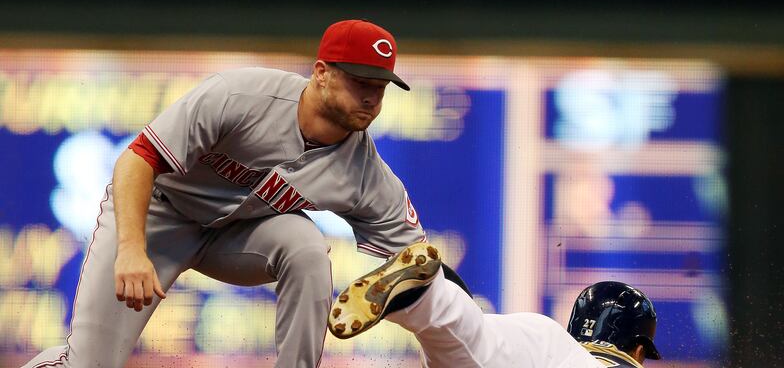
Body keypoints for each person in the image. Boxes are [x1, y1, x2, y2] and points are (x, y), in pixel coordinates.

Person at [24, 19, 426, 368]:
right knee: (88, 363)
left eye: (380, 86)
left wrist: (453, 334)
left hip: (237, 235)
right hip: (157, 216)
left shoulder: (366, 172)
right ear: (321, 72)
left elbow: (418, 262)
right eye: (359, 82)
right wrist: (131, 247)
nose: (371, 97)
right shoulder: (243, 96)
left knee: (306, 246)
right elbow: (137, 159)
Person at [329, 242, 661, 368]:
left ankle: (429, 298)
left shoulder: (548, 337)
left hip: (542, 350)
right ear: (639, 351)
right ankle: (430, 298)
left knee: (476, 342)